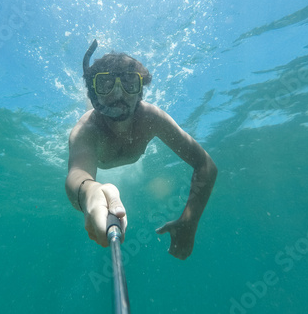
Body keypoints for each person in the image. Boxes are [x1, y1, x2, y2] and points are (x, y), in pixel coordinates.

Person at [65, 40, 217, 260]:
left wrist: (189, 220)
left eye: (129, 83)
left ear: (140, 92)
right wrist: (90, 193)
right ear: (94, 95)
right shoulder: (87, 130)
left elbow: (206, 165)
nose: (118, 93)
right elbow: (77, 174)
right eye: (105, 84)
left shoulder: (151, 118)